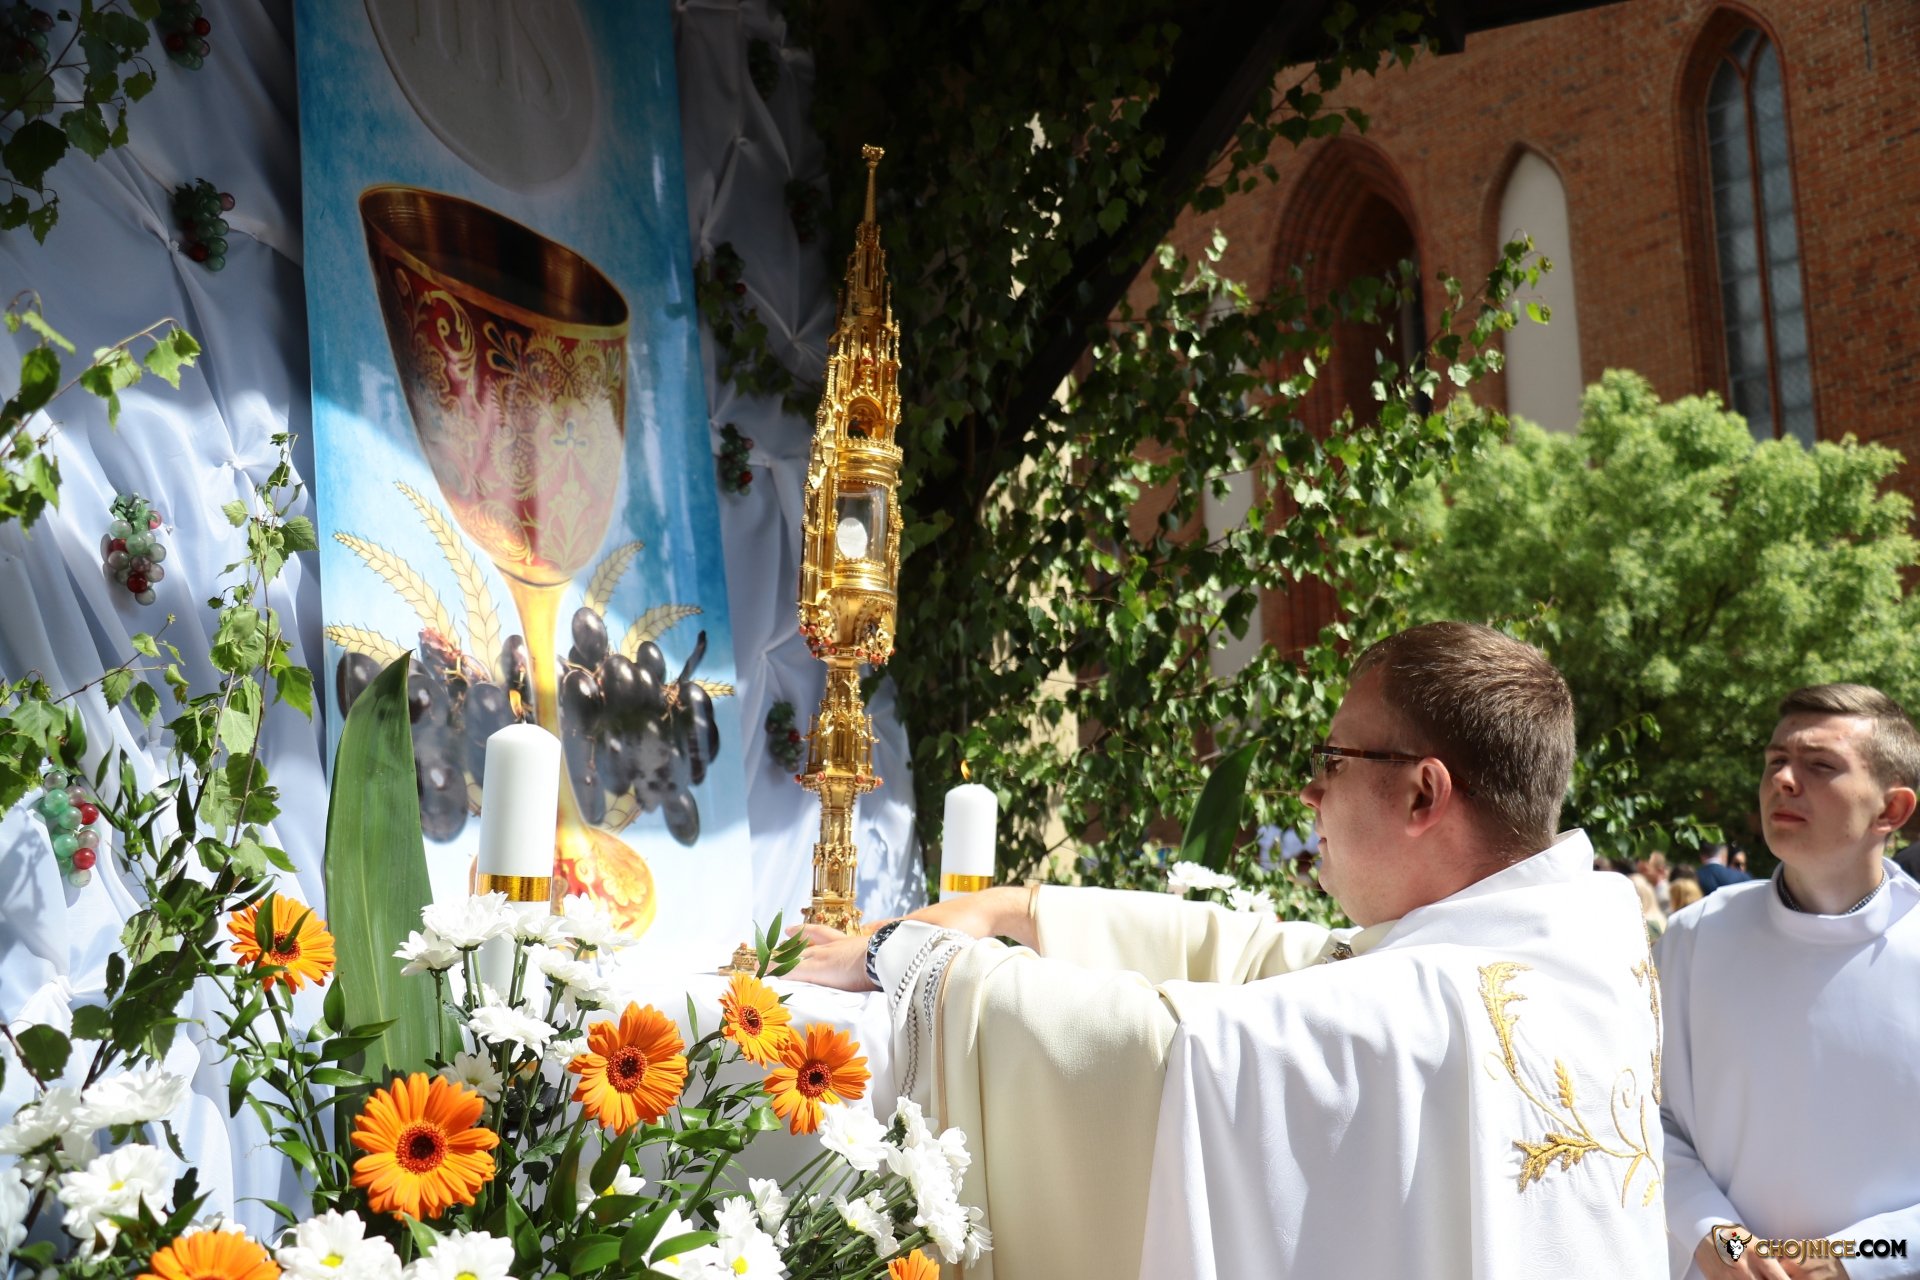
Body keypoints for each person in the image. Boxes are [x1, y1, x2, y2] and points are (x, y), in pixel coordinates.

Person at [793, 622, 1666, 1279]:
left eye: (1334, 759)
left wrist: (916, 964)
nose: (1310, 791)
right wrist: (1018, 909)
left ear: (1422, 795)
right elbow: (1287, 959)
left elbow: (1165, 1056)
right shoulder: (1581, 948)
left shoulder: (1417, 1012)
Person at [1656, 684, 1920, 1279]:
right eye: (1775, 760)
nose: (1783, 779)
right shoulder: (1695, 936)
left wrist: (1853, 1258)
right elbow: (1646, 1116)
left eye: (1820, 765)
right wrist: (1717, 1237)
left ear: (1892, 810)